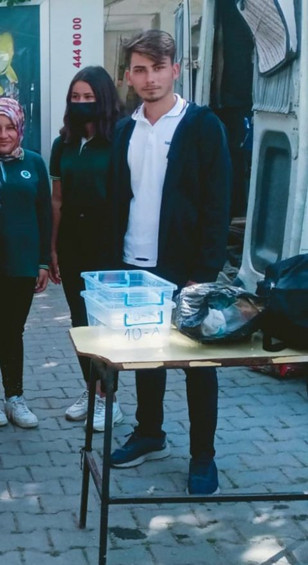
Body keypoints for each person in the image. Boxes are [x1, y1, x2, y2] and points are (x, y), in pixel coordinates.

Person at [106, 30, 230, 496]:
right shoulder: (125, 129)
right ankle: (149, 433)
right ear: (129, 75)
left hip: (187, 268)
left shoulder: (202, 125)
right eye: (140, 69)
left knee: (199, 366)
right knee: (145, 356)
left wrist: (205, 273)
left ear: (175, 70)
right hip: (135, 262)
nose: (150, 78)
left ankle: (203, 457)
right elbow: (119, 198)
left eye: (159, 68)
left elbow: (219, 203)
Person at [49, 66, 126, 432]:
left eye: (89, 97)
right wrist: (51, 248)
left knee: (105, 323)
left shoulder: (120, 139)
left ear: (104, 98)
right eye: (75, 97)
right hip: (72, 244)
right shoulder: (63, 143)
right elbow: (57, 200)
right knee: (81, 322)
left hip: (108, 244)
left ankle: (109, 397)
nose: (81, 103)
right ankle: (91, 390)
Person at [0, 97, 51, 428]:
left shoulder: (34, 162)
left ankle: (14, 398)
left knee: (13, 331)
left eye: (10, 127)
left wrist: (43, 262)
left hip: (22, 265)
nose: (3, 134)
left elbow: (44, 213)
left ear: (20, 129)